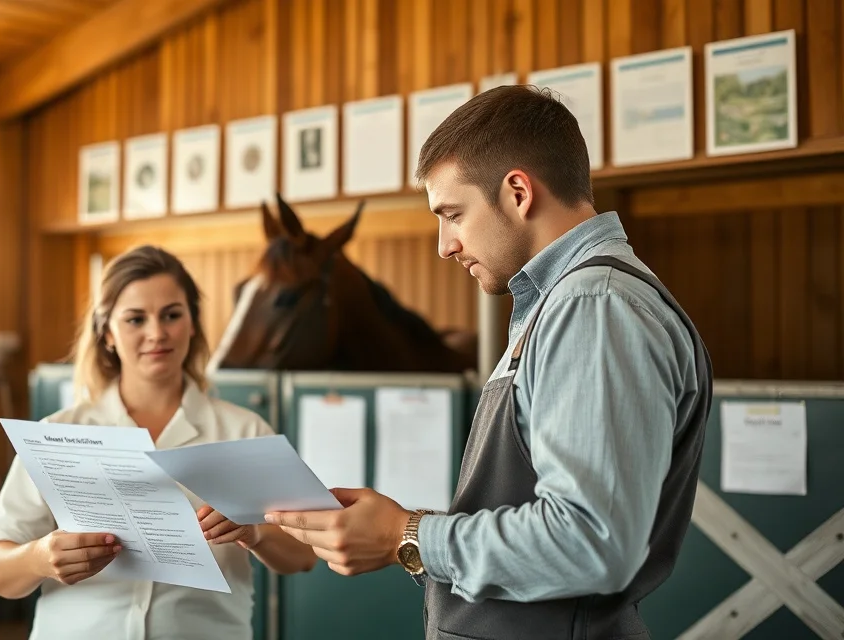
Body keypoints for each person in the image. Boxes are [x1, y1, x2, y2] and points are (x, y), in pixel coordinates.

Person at [264, 84, 713, 639]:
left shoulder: (591, 305)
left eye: (453, 213)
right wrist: (397, 534)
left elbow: (591, 543)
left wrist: (406, 535)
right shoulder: (561, 303)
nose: (444, 245)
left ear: (518, 192)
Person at [0, 245, 318, 640]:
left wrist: (253, 533)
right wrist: (38, 558)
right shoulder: (59, 433)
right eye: (136, 319)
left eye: (172, 315)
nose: (157, 333)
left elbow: (304, 556)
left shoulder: (244, 430)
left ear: (193, 323)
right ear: (107, 332)